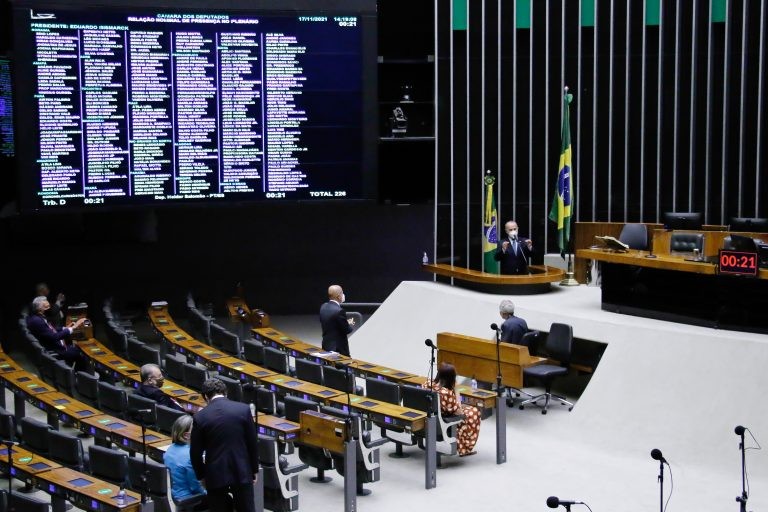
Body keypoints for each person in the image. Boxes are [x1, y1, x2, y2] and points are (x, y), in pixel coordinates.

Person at [190, 378, 259, 512]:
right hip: (242, 470)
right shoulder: (243, 409)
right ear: (225, 392)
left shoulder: (200, 417)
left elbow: (195, 453)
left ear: (205, 396)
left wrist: (202, 476)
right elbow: (252, 443)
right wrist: (254, 469)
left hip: (215, 473)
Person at [422, 362, 481, 457]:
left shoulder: (428, 384)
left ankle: (463, 446)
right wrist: (456, 390)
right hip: (443, 423)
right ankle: (465, 448)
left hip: (429, 418)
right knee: (474, 412)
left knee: (469, 409)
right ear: (450, 378)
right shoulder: (446, 393)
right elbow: (459, 411)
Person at [27, 295, 87, 370]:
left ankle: (75, 372)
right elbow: (54, 337)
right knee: (80, 352)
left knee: (77, 348)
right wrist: (73, 328)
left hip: (55, 346)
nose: (49, 309)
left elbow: (50, 329)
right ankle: (83, 375)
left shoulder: (37, 317)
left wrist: (64, 328)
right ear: (39, 308)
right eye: (46, 307)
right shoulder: (37, 321)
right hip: (56, 350)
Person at [164, 414, 208, 510]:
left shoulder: (169, 449)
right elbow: (195, 486)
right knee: (225, 498)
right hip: (188, 498)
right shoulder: (190, 455)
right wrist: (208, 492)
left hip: (174, 493)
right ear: (186, 435)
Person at [319, 284, 355, 356]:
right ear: (338, 296)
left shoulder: (323, 306)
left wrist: (345, 322)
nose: (343, 295)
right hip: (338, 350)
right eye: (342, 292)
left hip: (326, 346)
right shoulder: (339, 311)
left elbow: (331, 322)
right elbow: (347, 330)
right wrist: (349, 324)